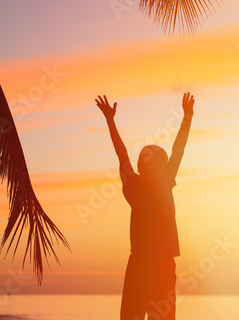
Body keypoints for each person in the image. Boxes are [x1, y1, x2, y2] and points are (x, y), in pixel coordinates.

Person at [95, 92, 194, 320]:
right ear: (160, 165)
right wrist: (187, 117)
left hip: (143, 266)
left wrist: (110, 120)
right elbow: (178, 149)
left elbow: (122, 155)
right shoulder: (162, 182)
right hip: (155, 267)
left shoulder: (136, 186)